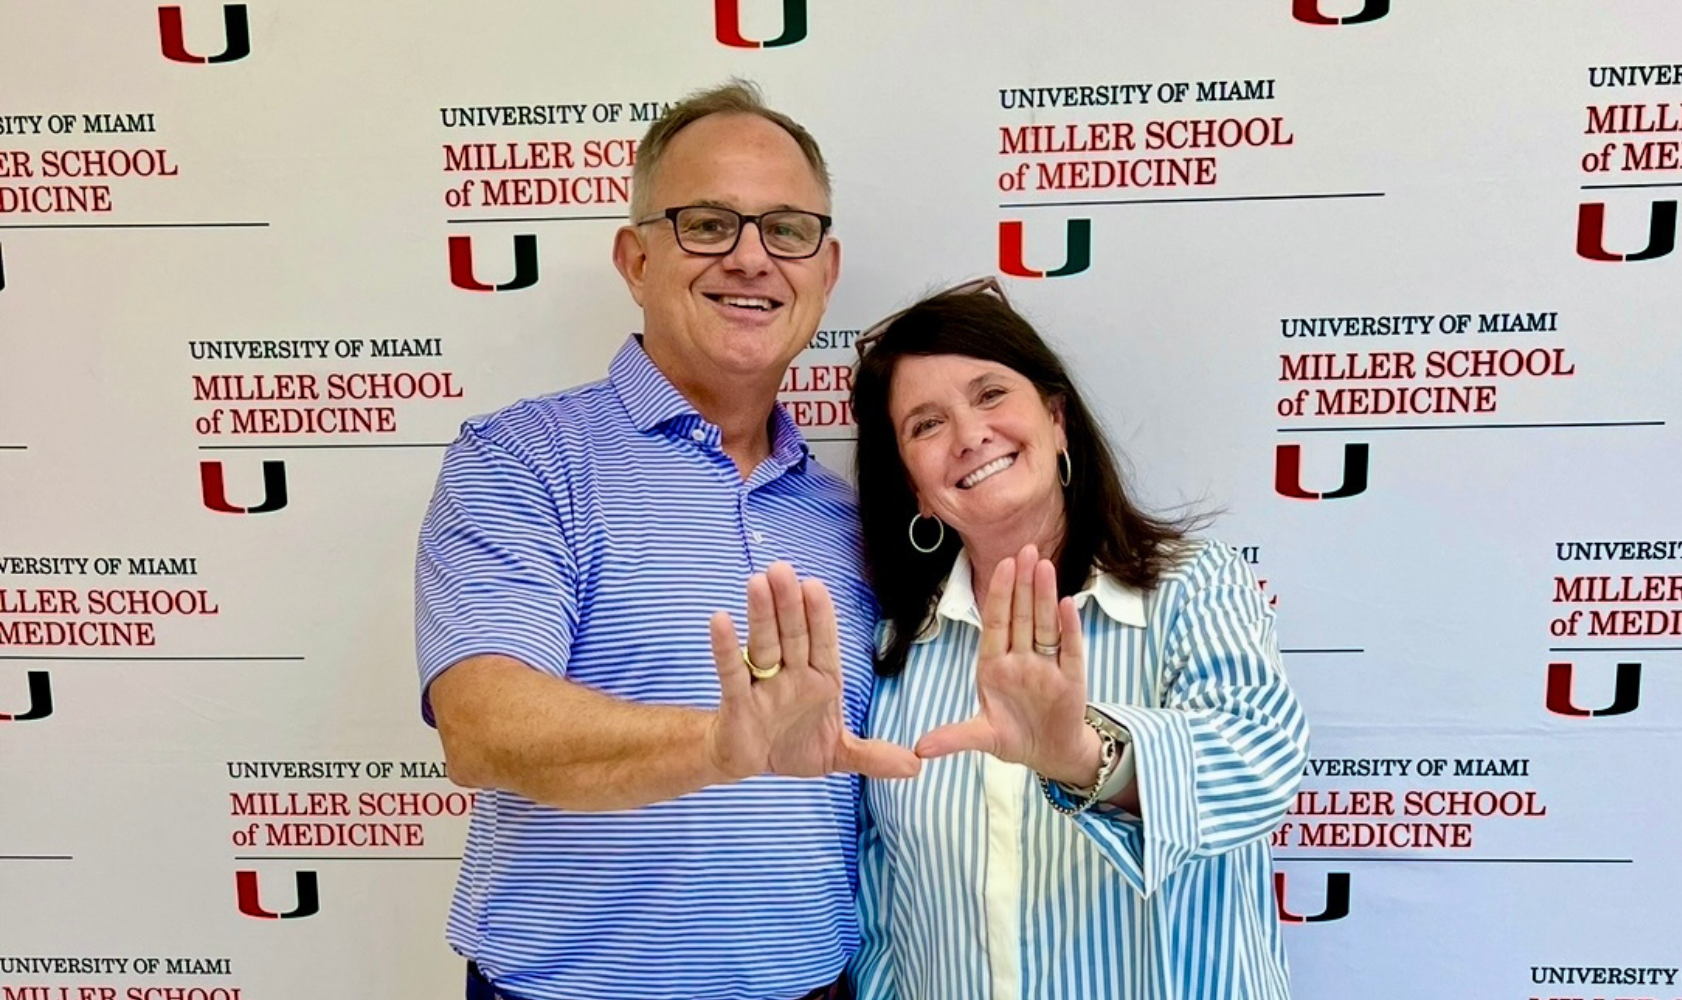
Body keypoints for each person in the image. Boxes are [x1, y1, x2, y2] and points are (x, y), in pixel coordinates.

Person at [414, 81, 917, 1000]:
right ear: (635, 258)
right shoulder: (524, 459)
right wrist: (722, 745)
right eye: (708, 224)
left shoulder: (847, 516)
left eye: (787, 230)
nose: (751, 258)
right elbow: (482, 728)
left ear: (826, 269)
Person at [846, 278, 1310, 999]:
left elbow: (1261, 765)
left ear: (1057, 419)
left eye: (990, 394)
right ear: (911, 485)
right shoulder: (899, 649)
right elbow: (886, 912)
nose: (969, 435)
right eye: (926, 425)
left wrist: (1082, 756)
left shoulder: (1190, 585)